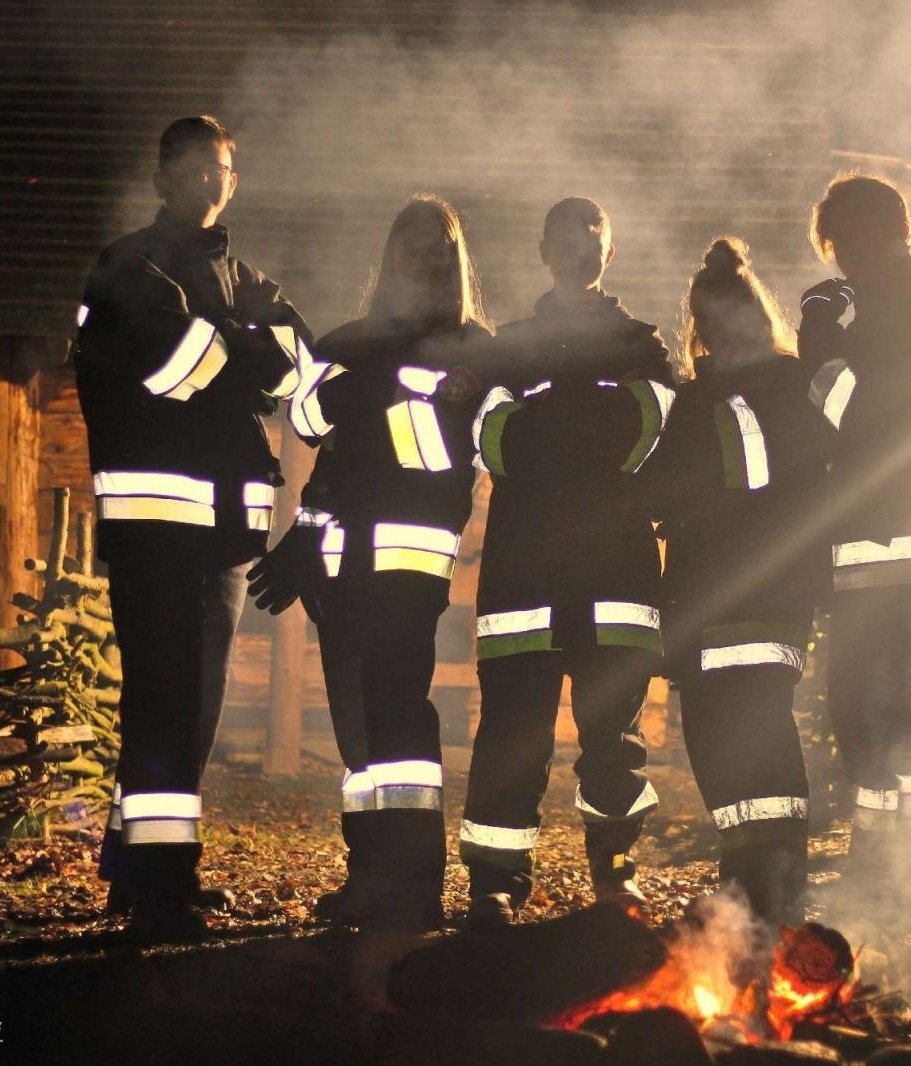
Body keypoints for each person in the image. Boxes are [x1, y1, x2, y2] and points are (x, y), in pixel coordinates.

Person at [74, 115, 313, 938]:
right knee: (167, 703)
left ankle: (138, 869)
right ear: (162, 178)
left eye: (222, 169)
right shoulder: (127, 267)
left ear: (233, 183)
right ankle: (160, 886)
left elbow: (302, 365)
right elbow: (178, 366)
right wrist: (246, 352)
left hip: (224, 536)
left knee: (189, 707)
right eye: (195, 167)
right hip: (157, 533)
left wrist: (236, 350)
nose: (211, 181)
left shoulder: (243, 277)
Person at [248, 195, 492, 932]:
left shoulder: (474, 351)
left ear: (454, 261)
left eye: (437, 246)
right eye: (411, 244)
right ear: (390, 255)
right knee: (357, 728)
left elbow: (436, 457)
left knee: (400, 720)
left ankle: (414, 885)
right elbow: (311, 430)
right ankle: (369, 877)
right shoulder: (350, 344)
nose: (423, 258)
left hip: (409, 568)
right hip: (337, 565)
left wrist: (375, 391)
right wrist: (304, 534)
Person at [460, 197, 674, 925]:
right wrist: (589, 432)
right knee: (511, 734)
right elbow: (491, 439)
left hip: (613, 575)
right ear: (544, 251)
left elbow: (646, 434)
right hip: (526, 575)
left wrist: (544, 426)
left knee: (614, 739)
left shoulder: (645, 346)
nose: (580, 246)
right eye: (565, 236)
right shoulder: (507, 347)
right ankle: (494, 883)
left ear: (609, 253)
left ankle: (616, 874)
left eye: (593, 236)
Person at [797, 174, 911, 934]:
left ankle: (906, 880)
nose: (841, 262)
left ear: (869, 236)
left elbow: (854, 413)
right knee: (893, 712)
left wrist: (819, 340)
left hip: (885, 554)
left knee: (887, 714)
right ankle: (898, 877)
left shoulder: (903, 315)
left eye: (843, 246)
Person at [647, 238, 833, 928]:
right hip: (746, 598)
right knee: (736, 741)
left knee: (743, 739)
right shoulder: (773, 386)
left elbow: (707, 484)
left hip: (743, 596)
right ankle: (756, 888)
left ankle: (770, 891)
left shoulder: (735, 395)